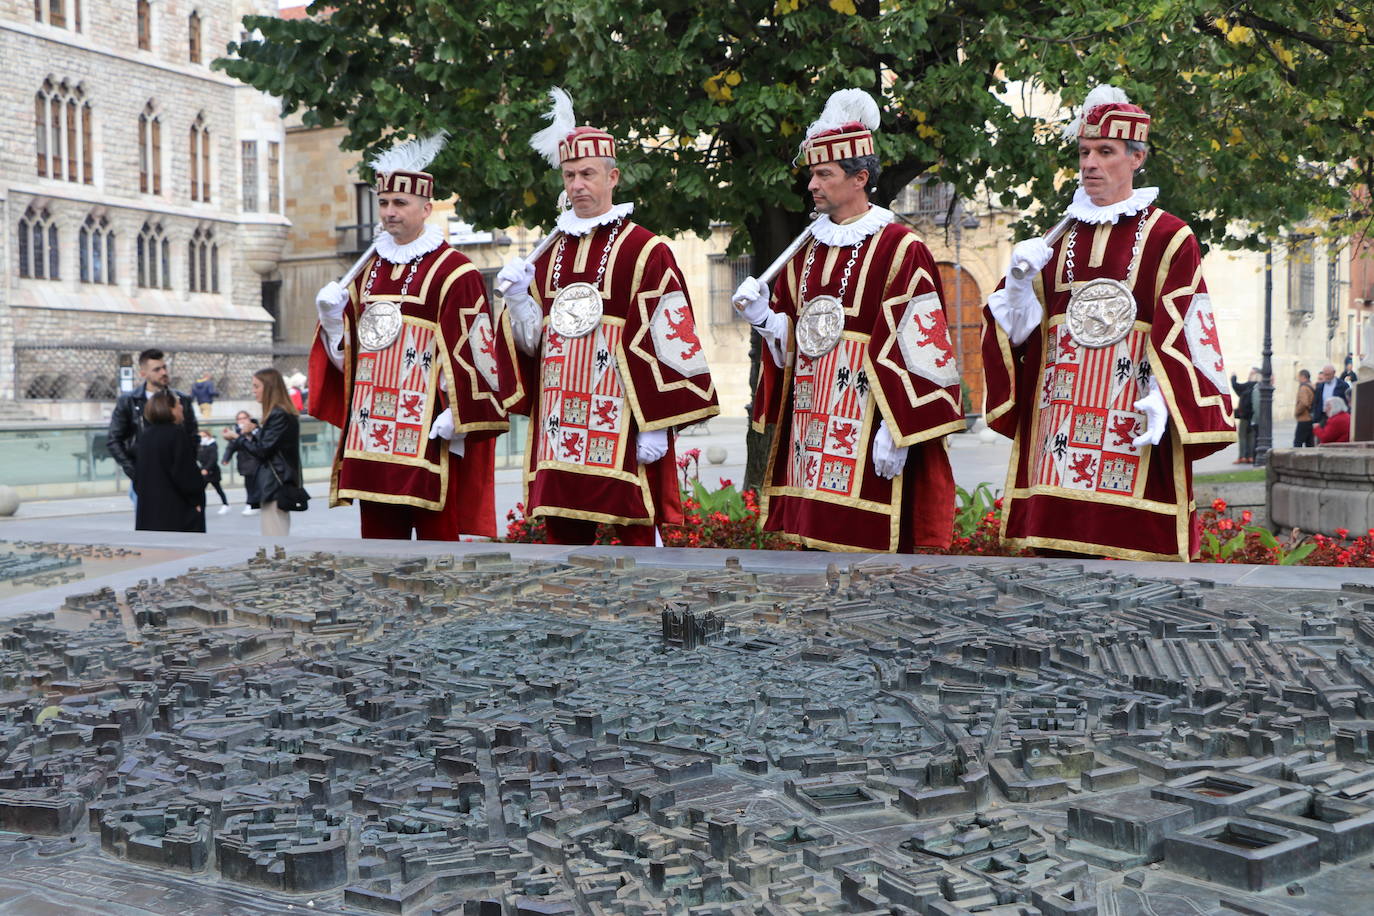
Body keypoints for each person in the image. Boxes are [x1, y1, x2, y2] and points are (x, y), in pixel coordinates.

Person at [981, 85, 1235, 561]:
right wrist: (1016, 286)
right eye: (1083, 152)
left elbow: (1188, 325)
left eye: (1105, 152)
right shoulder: (1056, 239)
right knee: (1054, 571)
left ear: (1136, 159)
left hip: (1129, 417)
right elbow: (1018, 337)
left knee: (1131, 571)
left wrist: (1166, 398)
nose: (1090, 164)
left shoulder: (1170, 235)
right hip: (1057, 425)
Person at [731, 89, 964, 551]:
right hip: (811, 426)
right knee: (813, 554)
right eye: (812, 175)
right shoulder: (804, 250)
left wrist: (898, 434)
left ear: (860, 178)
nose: (812, 185)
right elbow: (796, 345)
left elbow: (921, 347)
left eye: (824, 174)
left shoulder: (902, 247)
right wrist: (762, 317)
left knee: (869, 561)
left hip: (870, 426)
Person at [497, 89, 719, 545]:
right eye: (569, 175)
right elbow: (532, 346)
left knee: (637, 551)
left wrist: (659, 426)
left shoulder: (646, 250)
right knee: (562, 551)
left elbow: (672, 339)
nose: (577, 184)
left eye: (587, 174)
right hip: (558, 432)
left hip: (622, 430)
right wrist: (519, 300)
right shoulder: (547, 253)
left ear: (612, 177)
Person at [308, 135, 519, 540]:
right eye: (383, 202)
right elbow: (350, 364)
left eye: (399, 203)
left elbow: (479, 353)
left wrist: (457, 415)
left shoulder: (456, 272)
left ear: (426, 208)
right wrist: (333, 321)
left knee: (438, 552)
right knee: (380, 553)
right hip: (370, 437)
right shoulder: (365, 271)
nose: (389, 212)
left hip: (427, 435)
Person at [108, 348, 198, 509]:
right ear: (143, 374)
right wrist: (136, 473)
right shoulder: (129, 401)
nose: (163, 372)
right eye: (157, 369)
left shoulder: (182, 400)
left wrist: (187, 469)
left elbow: (192, 437)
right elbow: (114, 439)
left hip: (178, 479)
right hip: (145, 478)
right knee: (149, 529)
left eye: (164, 368)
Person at [224, 368, 301, 536]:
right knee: (275, 534)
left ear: (269, 387)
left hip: (276, 483)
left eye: (256, 386)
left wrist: (237, 437)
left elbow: (262, 451)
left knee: (274, 538)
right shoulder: (281, 413)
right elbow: (272, 444)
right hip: (277, 482)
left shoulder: (278, 414)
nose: (253, 391)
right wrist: (255, 430)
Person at [134, 390, 206, 533]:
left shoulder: (145, 436)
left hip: (150, 511)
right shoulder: (176, 434)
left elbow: (138, 476)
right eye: (178, 404)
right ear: (170, 409)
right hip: (176, 512)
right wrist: (196, 500)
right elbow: (185, 474)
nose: (182, 408)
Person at [222, 412, 262, 515]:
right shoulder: (237, 432)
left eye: (244, 418)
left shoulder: (256, 429)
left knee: (259, 484)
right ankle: (251, 504)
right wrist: (226, 459)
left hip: (258, 462)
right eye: (239, 419)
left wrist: (252, 430)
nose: (242, 421)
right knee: (249, 485)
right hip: (245, 463)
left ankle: (256, 503)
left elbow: (261, 442)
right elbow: (231, 447)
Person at [1230, 368, 1260, 463]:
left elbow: (1236, 386)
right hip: (1253, 416)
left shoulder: (1249, 385)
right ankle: (1250, 456)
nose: (1249, 375)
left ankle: (1242, 456)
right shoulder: (1259, 386)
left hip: (1245, 415)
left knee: (1242, 436)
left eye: (1251, 373)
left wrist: (1233, 377)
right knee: (1250, 436)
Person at [197, 429, 230, 514]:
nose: (202, 438)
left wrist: (206, 469)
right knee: (200, 490)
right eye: (200, 436)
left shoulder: (212, 445)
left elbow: (213, 459)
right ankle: (199, 506)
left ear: (208, 436)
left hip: (212, 472)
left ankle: (225, 505)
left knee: (218, 489)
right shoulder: (200, 446)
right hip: (204, 472)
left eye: (204, 436)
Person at [1312, 364, 1350, 428]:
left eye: (1328, 374)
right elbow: (1316, 402)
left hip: (1337, 417)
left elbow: (1347, 402)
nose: (1326, 377)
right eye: (1325, 374)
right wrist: (1315, 418)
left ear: (1334, 373)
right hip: (1322, 417)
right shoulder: (1320, 386)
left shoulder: (1343, 385)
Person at [1294, 369, 1315, 447]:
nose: (1298, 379)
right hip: (1310, 418)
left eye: (1299, 377)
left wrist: (1297, 412)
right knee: (1309, 444)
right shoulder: (1312, 385)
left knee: (1297, 443)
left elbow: (1304, 402)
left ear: (1303, 377)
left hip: (1304, 418)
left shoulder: (1303, 388)